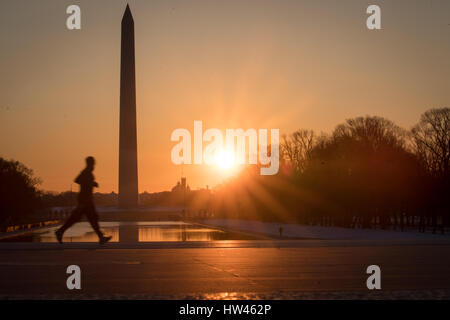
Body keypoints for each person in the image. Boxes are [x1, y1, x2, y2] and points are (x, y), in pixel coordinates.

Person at [55, 156, 111, 244]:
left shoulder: (87, 172)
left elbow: (80, 180)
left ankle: (101, 237)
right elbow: (77, 180)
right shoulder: (86, 172)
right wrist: (91, 183)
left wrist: (91, 183)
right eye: (93, 163)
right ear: (90, 163)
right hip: (85, 199)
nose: (94, 165)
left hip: (86, 198)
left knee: (89, 218)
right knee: (86, 218)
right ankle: (60, 231)